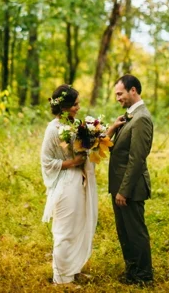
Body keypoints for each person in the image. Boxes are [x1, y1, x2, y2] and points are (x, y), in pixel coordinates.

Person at [40, 85, 97, 285]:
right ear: (63, 107)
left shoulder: (76, 125)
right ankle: (61, 279)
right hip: (65, 184)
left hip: (79, 182)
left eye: (78, 103)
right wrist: (72, 163)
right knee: (64, 230)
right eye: (74, 104)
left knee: (77, 227)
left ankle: (73, 270)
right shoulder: (53, 129)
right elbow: (46, 160)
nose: (78, 107)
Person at [104, 74, 155, 285]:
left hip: (130, 188)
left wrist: (123, 190)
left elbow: (136, 159)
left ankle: (144, 277)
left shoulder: (142, 118)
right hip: (120, 185)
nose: (117, 98)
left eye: (120, 93)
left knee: (135, 232)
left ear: (133, 90)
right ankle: (132, 273)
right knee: (124, 232)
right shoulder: (129, 116)